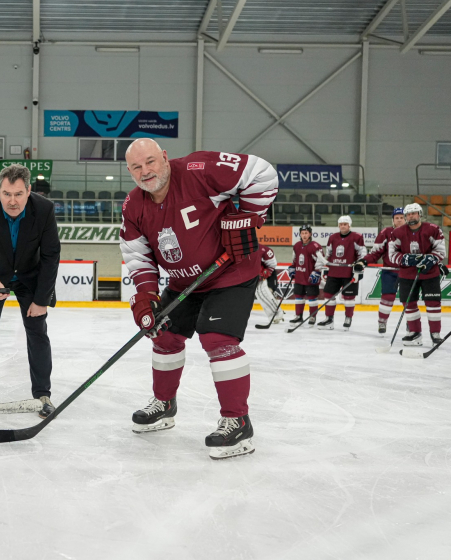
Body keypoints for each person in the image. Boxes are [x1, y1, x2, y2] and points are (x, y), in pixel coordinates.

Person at [119, 138, 277, 460]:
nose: (145, 171)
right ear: (129, 171)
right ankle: (164, 405)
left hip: (231, 271)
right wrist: (146, 297)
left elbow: (262, 173)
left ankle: (238, 421)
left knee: (217, 338)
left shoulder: (199, 169)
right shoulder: (133, 205)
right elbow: (138, 255)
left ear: (164, 157)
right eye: (137, 167)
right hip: (184, 281)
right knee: (164, 334)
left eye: (150, 161)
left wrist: (247, 218)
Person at [0, 164, 61, 418]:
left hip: (31, 276)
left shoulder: (44, 209)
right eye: (6, 194)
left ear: (29, 191)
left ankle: (42, 395)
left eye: (18, 194)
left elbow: (51, 257)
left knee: (37, 332)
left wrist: (41, 300)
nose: (12, 201)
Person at [387, 203, 446, 346]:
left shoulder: (433, 229)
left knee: (433, 304)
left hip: (429, 274)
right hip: (407, 274)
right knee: (409, 303)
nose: (411, 216)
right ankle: (414, 333)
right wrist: (405, 259)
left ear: (419, 214)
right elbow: (392, 254)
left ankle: (435, 334)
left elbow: (440, 250)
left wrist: (430, 259)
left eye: (414, 213)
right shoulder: (398, 232)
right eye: (408, 214)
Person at [355, 208, 405, 334]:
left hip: (407, 272)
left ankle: (411, 324)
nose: (399, 220)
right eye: (396, 218)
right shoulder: (386, 232)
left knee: (408, 299)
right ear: (393, 220)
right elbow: (375, 252)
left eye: (401, 217)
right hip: (390, 271)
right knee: (387, 297)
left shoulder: (413, 233)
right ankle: (382, 321)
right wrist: (364, 261)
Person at [317, 216, 366, 330]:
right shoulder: (333, 237)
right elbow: (328, 254)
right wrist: (326, 267)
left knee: (349, 297)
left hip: (349, 272)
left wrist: (360, 266)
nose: (343, 226)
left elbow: (362, 253)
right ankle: (329, 320)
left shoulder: (357, 237)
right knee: (329, 295)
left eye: (345, 224)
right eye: (341, 224)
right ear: (338, 225)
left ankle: (348, 318)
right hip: (334, 271)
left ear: (349, 225)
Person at [287, 224, 323, 325]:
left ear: (310, 234)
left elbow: (320, 261)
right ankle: (298, 316)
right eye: (302, 233)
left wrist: (317, 272)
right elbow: (294, 259)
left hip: (310, 277)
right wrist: (293, 267)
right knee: (298, 296)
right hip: (299, 276)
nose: (304, 235)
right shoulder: (297, 245)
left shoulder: (315, 246)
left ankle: (312, 317)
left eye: (306, 233)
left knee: (312, 298)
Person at [256, 244, 283, 324]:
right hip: (249, 277)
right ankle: (274, 314)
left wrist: (264, 273)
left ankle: (277, 313)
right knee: (260, 296)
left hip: (260, 277)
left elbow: (272, 265)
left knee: (264, 294)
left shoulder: (263, 250)